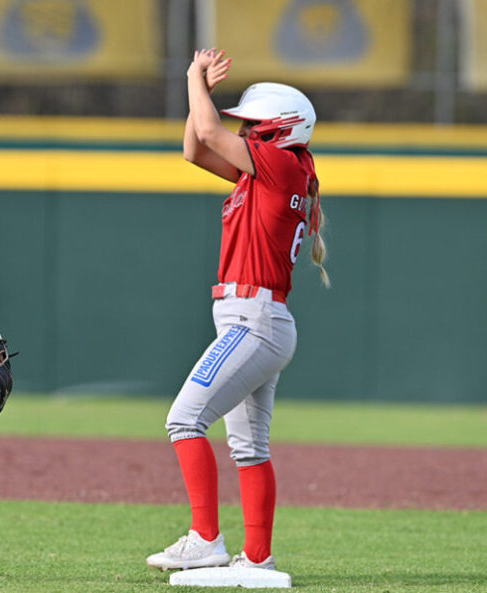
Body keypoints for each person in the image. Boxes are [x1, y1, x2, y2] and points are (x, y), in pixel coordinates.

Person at [146, 49, 329, 573]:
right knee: (248, 448)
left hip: (254, 318)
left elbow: (206, 131)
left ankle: (205, 538)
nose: (246, 133)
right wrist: (198, 88)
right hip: (257, 318)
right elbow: (194, 149)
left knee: (184, 420)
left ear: (281, 131)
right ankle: (258, 558)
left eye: (255, 127)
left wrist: (191, 78)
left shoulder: (281, 164)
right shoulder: (273, 171)